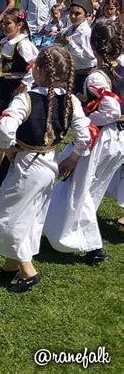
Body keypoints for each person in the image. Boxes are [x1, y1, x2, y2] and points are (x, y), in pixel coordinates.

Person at [0, 45, 92, 292]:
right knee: (30, 217)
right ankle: (10, 265)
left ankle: (28, 271)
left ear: (39, 69)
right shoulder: (70, 100)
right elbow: (84, 136)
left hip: (27, 165)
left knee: (10, 218)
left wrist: (7, 148)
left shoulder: (26, 99)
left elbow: (5, 128)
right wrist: (72, 158)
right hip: (49, 163)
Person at [44, 20, 124, 264]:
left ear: (94, 45)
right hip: (119, 137)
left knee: (82, 187)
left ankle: (91, 244)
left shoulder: (96, 78)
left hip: (100, 136)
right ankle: (62, 226)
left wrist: (88, 117)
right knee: (91, 186)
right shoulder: (121, 67)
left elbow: (109, 109)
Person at [0, 8, 38, 184]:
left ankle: (12, 164)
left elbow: (35, 65)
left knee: (13, 126)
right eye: (3, 23)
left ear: (19, 25)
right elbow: (0, 68)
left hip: (15, 89)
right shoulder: (4, 42)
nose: (4, 26)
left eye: (8, 23)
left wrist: (24, 84)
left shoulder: (23, 44)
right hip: (3, 88)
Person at [57, 0, 96, 94]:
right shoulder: (70, 29)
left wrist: (71, 44)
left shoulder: (86, 33)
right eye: (71, 13)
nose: (73, 16)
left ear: (86, 15)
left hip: (85, 74)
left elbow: (90, 56)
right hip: (73, 71)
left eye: (77, 14)